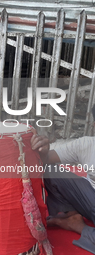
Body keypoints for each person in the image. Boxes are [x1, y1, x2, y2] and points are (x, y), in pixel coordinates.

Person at [31, 106, 95, 254]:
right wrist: (43, 150)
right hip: (89, 197)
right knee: (48, 170)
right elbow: (45, 159)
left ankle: (77, 226)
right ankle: (69, 213)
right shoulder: (87, 145)